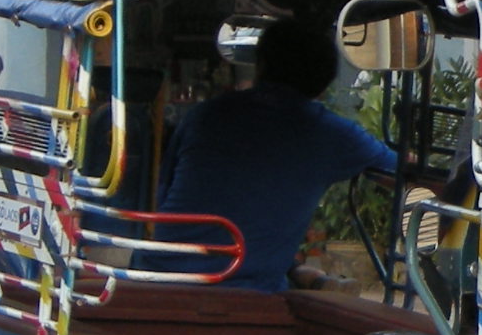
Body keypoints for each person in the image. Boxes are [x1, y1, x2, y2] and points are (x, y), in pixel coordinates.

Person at [157, 17, 395, 290]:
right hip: (245, 291)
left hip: (156, 276)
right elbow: (405, 173)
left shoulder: (204, 115)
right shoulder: (334, 134)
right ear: (325, 81)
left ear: (261, 65)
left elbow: (163, 194)